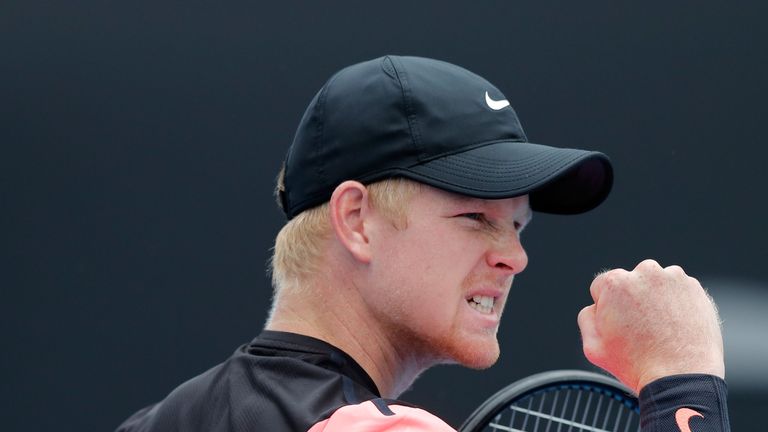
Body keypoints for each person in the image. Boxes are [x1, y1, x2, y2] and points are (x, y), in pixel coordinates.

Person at [116, 55, 730, 431]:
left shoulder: (153, 422)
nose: (513, 257)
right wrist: (684, 380)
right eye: (475, 217)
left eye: (517, 226)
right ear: (355, 219)